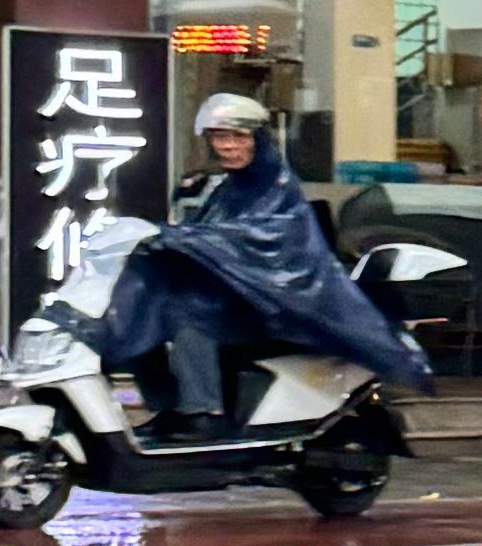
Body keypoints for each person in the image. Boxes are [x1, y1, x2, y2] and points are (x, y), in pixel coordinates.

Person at [102, 93, 432, 432]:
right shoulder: (227, 187)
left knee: (190, 321)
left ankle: (203, 412)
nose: (227, 146)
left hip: (279, 302)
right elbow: (204, 232)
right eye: (219, 137)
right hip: (240, 296)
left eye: (238, 137)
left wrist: (181, 239)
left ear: (258, 139)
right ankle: (169, 407)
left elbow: (256, 238)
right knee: (139, 311)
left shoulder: (278, 186)